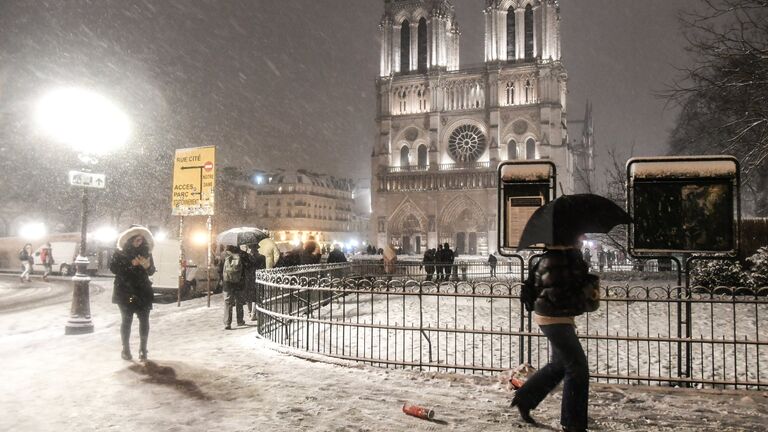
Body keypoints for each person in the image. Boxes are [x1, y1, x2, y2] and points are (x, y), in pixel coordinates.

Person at [513, 238, 591, 432]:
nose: (581, 241)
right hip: (554, 318)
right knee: (578, 368)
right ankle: (573, 423)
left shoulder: (556, 258)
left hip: (555, 316)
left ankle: (525, 398)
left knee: (560, 364)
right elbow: (565, 287)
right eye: (578, 238)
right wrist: (578, 262)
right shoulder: (559, 259)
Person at [110, 226, 156, 361]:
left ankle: (143, 349)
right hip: (126, 292)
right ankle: (126, 349)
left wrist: (147, 266)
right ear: (130, 240)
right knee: (127, 320)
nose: (139, 242)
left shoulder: (146, 252)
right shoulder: (119, 253)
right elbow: (114, 269)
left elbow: (151, 271)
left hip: (142, 292)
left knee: (144, 320)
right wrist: (132, 264)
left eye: (141, 240)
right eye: (136, 240)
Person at [220, 245, 248, 329]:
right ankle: (240, 320)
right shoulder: (243, 255)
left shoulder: (224, 255)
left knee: (228, 302)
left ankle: (227, 323)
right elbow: (247, 266)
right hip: (239, 282)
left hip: (227, 283)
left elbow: (219, 268)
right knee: (239, 301)